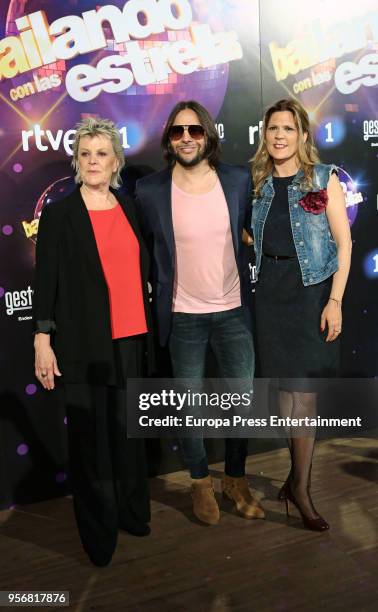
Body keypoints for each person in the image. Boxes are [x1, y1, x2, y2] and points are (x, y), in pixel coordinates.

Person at [135, 100, 264, 525]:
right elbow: (144, 253)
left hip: (233, 313)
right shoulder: (150, 190)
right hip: (182, 316)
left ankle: (235, 478)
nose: (186, 138)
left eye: (194, 130)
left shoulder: (238, 180)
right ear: (169, 140)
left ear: (208, 134)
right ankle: (198, 482)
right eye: (177, 132)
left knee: (240, 404)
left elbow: (252, 230)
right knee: (189, 408)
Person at [33, 118, 153, 566]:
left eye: (102, 153)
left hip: (131, 340)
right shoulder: (60, 214)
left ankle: (132, 512)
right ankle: (98, 534)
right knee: (90, 444)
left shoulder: (130, 207)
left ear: (116, 160)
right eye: (85, 154)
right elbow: (44, 282)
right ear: (76, 162)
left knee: (129, 435)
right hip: (84, 344)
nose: (93, 161)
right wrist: (42, 340)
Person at [251, 98, 352, 531]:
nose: (279, 136)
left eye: (288, 129)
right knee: (287, 397)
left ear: (303, 136)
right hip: (270, 295)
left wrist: (335, 301)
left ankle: (302, 489)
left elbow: (344, 244)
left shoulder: (324, 179)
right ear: (265, 134)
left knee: (304, 396)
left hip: (310, 294)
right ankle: (296, 479)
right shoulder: (257, 183)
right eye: (273, 128)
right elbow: (251, 235)